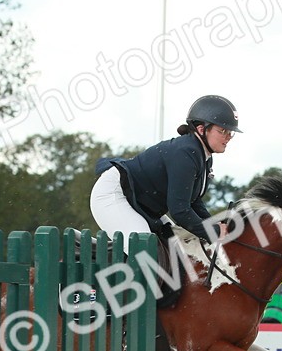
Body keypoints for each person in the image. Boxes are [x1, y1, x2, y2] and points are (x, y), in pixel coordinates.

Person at [91, 95, 240, 242]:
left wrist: (213, 224)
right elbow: (179, 211)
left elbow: (193, 202)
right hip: (114, 194)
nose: (228, 137)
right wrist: (213, 231)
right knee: (143, 245)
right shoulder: (186, 153)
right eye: (222, 131)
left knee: (177, 246)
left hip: (140, 203)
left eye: (230, 132)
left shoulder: (204, 156)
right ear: (201, 129)